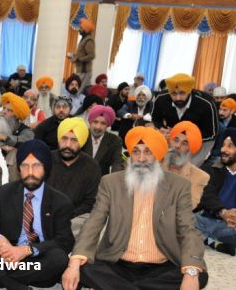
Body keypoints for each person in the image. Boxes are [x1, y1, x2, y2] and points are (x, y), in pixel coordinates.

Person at [62, 126, 208, 290]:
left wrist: (191, 273)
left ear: (159, 157)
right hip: (118, 263)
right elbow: (94, 222)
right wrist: (74, 263)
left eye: (148, 152)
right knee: (82, 267)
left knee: (199, 274)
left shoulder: (178, 185)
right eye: (136, 152)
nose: (141, 158)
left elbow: (187, 229)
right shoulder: (111, 183)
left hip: (161, 265)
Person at [0, 139, 74, 290]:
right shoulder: (5, 192)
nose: (30, 172)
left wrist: (25, 250)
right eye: (25, 166)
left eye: (36, 166)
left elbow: (65, 241)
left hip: (37, 260)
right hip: (5, 255)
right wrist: (2, 242)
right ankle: (12, 284)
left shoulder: (60, 201)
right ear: (19, 168)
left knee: (59, 258)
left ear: (46, 168)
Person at [196, 128, 236, 256]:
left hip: (235, 226)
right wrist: (223, 212)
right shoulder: (210, 168)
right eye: (223, 145)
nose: (223, 150)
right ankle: (212, 241)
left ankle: (204, 238)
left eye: (229, 146)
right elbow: (207, 196)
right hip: (210, 218)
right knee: (185, 218)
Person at [47, 117, 101, 234]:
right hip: (45, 215)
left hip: (76, 219)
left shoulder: (92, 166)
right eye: (64, 139)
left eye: (74, 140)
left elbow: (90, 202)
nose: (67, 145)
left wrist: (66, 216)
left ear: (81, 142)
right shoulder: (46, 160)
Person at [152, 73, 218, 167]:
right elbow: (155, 118)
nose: (178, 98)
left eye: (182, 93)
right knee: (164, 165)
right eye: (174, 94)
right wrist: (161, 128)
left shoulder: (206, 103)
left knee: (187, 169)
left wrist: (185, 138)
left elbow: (212, 133)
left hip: (201, 141)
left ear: (190, 91)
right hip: (172, 138)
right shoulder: (161, 98)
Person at [0, 93, 34, 181]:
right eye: (4, 108)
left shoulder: (24, 129)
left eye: (9, 110)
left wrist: (5, 138)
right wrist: (1, 145)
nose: (4, 112)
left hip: (13, 169)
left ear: (17, 116)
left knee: (15, 152)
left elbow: (28, 138)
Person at [164, 121, 210, 209]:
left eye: (184, 143)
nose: (177, 146)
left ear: (190, 149)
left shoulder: (200, 176)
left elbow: (187, 206)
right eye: (176, 140)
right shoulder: (154, 164)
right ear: (170, 141)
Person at [82, 105, 124, 175]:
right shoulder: (81, 135)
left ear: (107, 125)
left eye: (103, 123)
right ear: (90, 122)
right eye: (95, 122)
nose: (98, 127)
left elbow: (117, 164)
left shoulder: (115, 141)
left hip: (101, 181)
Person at [206, 98, 236, 166]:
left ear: (232, 111)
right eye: (220, 109)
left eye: (225, 110)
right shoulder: (216, 120)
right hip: (214, 150)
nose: (221, 112)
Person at [68, 19, 95, 89]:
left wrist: (78, 59)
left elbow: (92, 55)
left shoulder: (89, 40)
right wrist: (73, 56)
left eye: (81, 28)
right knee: (81, 92)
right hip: (81, 70)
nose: (79, 29)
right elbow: (82, 54)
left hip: (84, 71)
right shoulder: (84, 39)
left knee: (78, 91)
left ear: (86, 29)